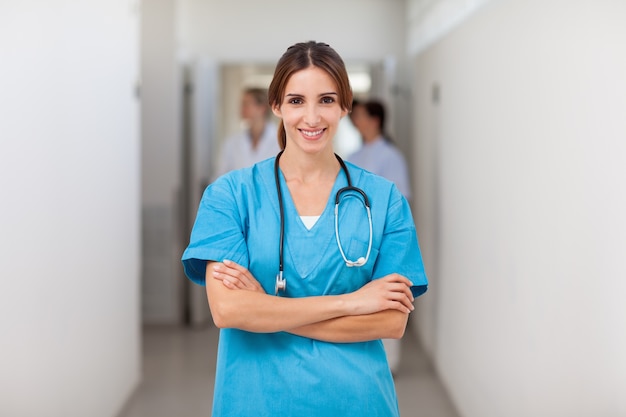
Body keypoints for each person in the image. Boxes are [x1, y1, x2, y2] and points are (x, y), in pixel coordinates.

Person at [181, 41, 428, 417]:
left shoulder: (384, 199)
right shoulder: (229, 195)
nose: (311, 117)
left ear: (345, 105)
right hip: (255, 402)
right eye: (296, 101)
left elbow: (391, 321)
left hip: (356, 402)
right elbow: (228, 310)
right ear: (276, 105)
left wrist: (266, 310)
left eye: (326, 100)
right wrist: (352, 302)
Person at [347, 99, 413, 374]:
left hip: (383, 237)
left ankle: (389, 364)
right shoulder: (353, 155)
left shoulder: (390, 156)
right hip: (354, 239)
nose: (355, 120)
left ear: (374, 120)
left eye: (360, 115)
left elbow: (400, 200)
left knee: (388, 297)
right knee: (362, 299)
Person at [214, 87, 279, 178]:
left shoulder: (280, 141)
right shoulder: (232, 142)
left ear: (262, 108)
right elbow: (220, 177)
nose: (242, 108)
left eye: (246, 104)